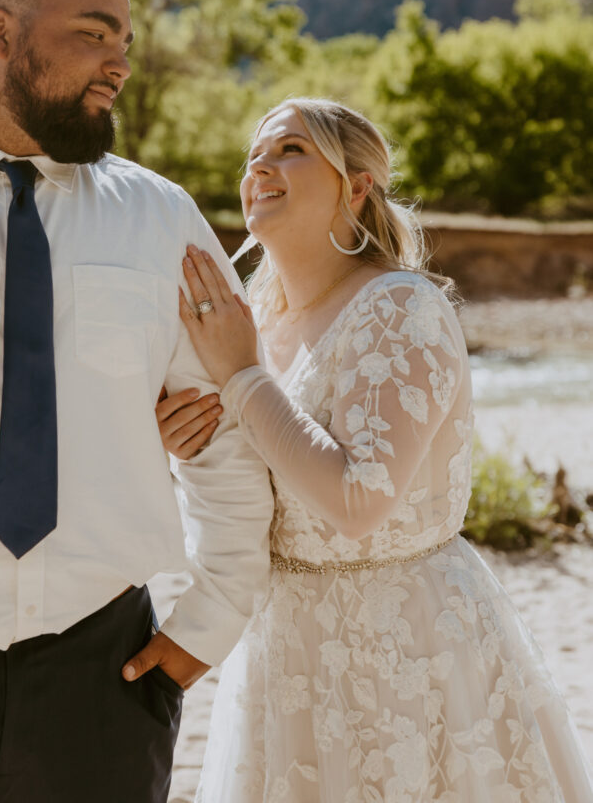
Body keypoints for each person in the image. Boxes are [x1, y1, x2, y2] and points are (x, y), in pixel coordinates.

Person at [0, 0, 274, 803]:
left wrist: (206, 626)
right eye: (94, 34)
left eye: (127, 45)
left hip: (101, 683)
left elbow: (228, 431)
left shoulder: (158, 216)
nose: (119, 65)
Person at [158, 98, 593, 802]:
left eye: (291, 149)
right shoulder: (253, 318)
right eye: (253, 156)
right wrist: (181, 447)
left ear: (356, 187)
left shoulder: (399, 308)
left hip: (406, 647)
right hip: (284, 646)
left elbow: (357, 501)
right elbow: (245, 481)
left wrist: (239, 377)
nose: (259, 166)